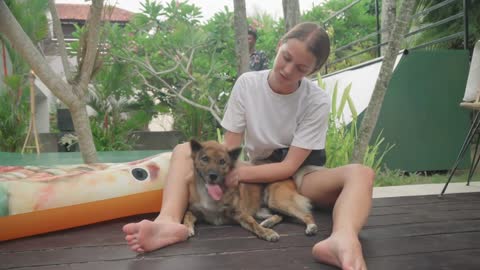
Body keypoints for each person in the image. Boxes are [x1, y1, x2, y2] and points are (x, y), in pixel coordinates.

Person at [123, 22, 375, 270]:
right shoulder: (248, 84)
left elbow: (289, 166)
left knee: (362, 173)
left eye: (300, 68)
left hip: (302, 174)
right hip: (255, 167)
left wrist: (239, 173)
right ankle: (167, 222)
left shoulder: (315, 100)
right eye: (285, 57)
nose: (288, 70)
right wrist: (224, 171)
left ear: (312, 70)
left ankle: (342, 239)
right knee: (182, 151)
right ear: (279, 45)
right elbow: (230, 150)